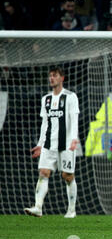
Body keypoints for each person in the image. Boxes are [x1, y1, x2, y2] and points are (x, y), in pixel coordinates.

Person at [24, 67, 80, 218]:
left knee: (67, 176)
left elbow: (74, 119)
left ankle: (71, 210)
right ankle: (38, 207)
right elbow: (45, 123)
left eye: (54, 76)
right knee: (43, 173)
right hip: (49, 144)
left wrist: (74, 138)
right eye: (50, 76)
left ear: (62, 78)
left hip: (67, 143)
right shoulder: (46, 99)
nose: (51, 78)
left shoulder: (70, 97)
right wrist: (41, 144)